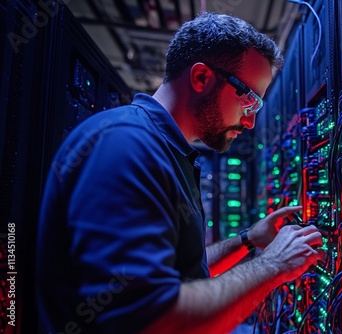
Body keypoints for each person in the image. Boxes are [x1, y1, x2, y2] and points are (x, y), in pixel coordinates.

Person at [36, 11, 323, 334]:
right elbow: (153, 317)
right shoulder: (125, 144)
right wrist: (274, 265)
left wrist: (248, 240)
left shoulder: (167, 150)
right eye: (249, 101)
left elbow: (181, 273)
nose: (250, 121)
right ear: (201, 78)